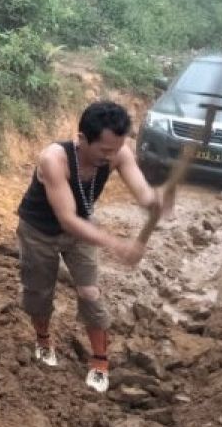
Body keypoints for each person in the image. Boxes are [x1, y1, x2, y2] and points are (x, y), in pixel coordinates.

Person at [15, 101, 166, 393]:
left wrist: (153, 201)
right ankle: (43, 340)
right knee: (39, 292)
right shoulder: (53, 160)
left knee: (89, 292)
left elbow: (142, 191)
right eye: (104, 151)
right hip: (39, 231)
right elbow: (67, 219)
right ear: (82, 139)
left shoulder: (118, 152)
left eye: (117, 149)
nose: (111, 156)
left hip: (82, 228)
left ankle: (99, 361)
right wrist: (115, 244)